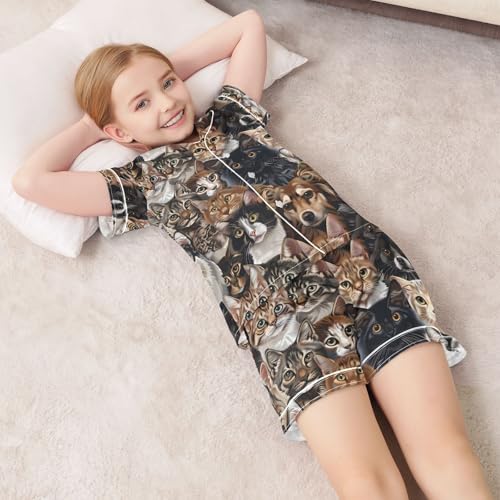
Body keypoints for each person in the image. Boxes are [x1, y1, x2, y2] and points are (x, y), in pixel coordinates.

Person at [11, 8, 493, 500]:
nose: (168, 102)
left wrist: (152, 72)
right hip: (285, 328)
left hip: (369, 274)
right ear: (118, 133)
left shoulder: (234, 117)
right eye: (142, 103)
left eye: (169, 83)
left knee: (444, 450)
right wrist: (92, 125)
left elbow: (247, 26)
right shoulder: (140, 184)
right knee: (367, 482)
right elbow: (31, 181)